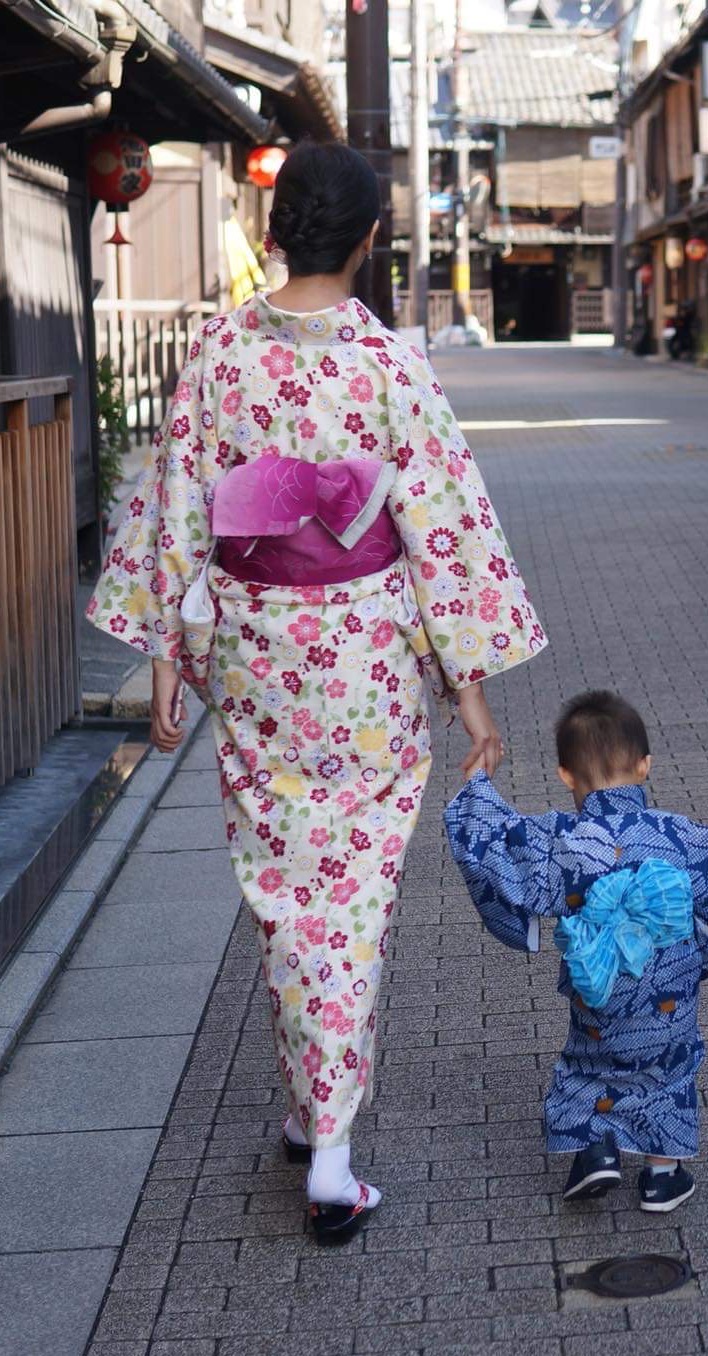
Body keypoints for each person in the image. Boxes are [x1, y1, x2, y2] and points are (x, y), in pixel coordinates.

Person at [86, 142, 547, 1244]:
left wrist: (164, 664)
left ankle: (312, 1110)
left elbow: (177, 516)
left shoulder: (218, 354)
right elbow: (443, 532)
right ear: (373, 241)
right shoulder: (390, 367)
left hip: (257, 659)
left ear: (275, 227)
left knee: (286, 891)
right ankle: (329, 1153)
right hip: (369, 665)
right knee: (351, 899)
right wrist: (469, 697)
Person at [443, 691, 708, 1211]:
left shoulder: (562, 838)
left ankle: (596, 1153)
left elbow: (495, 846)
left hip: (599, 986)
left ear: (566, 775)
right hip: (669, 998)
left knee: (588, 1066)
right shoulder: (687, 838)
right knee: (669, 1068)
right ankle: (662, 1177)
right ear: (645, 765)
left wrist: (479, 785)